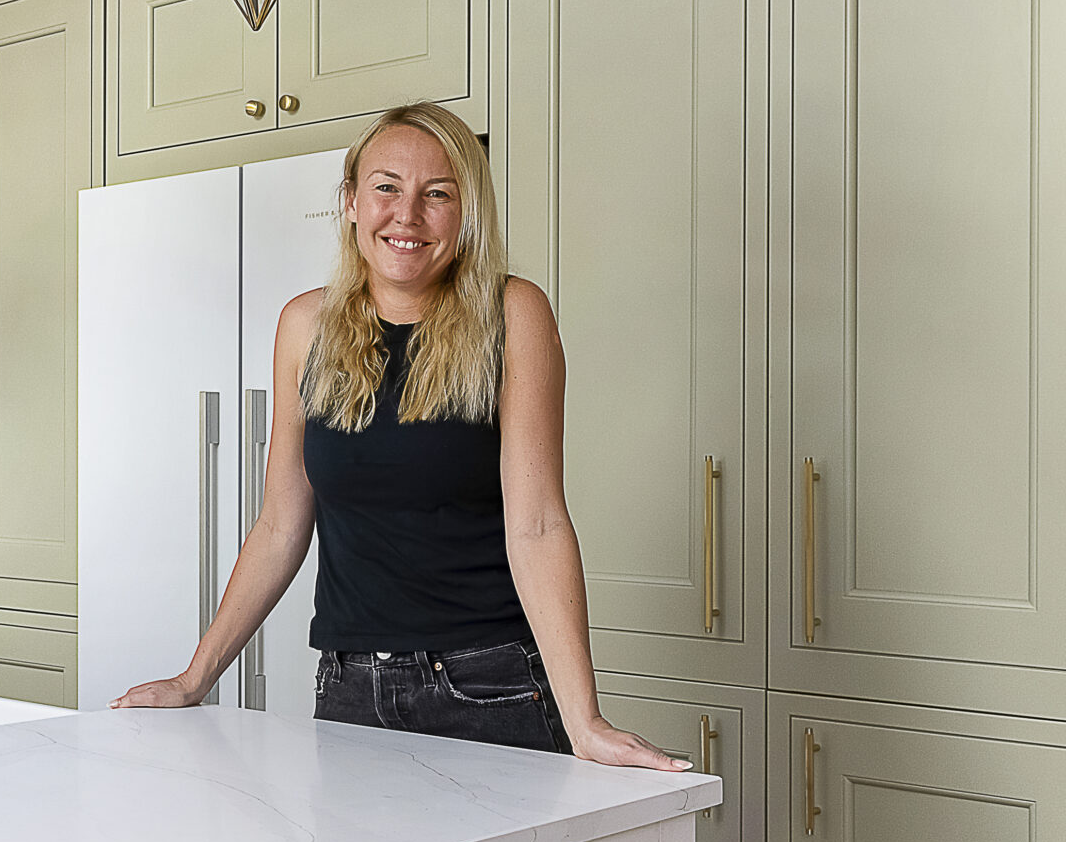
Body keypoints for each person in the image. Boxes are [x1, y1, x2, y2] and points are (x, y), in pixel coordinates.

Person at [110, 102, 687, 771]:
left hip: (488, 687)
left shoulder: (512, 314)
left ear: (467, 211)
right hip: (349, 688)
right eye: (386, 187)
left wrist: (584, 721)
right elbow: (279, 524)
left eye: (437, 194)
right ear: (351, 201)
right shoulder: (304, 326)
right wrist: (195, 678)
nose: (406, 215)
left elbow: (537, 525)